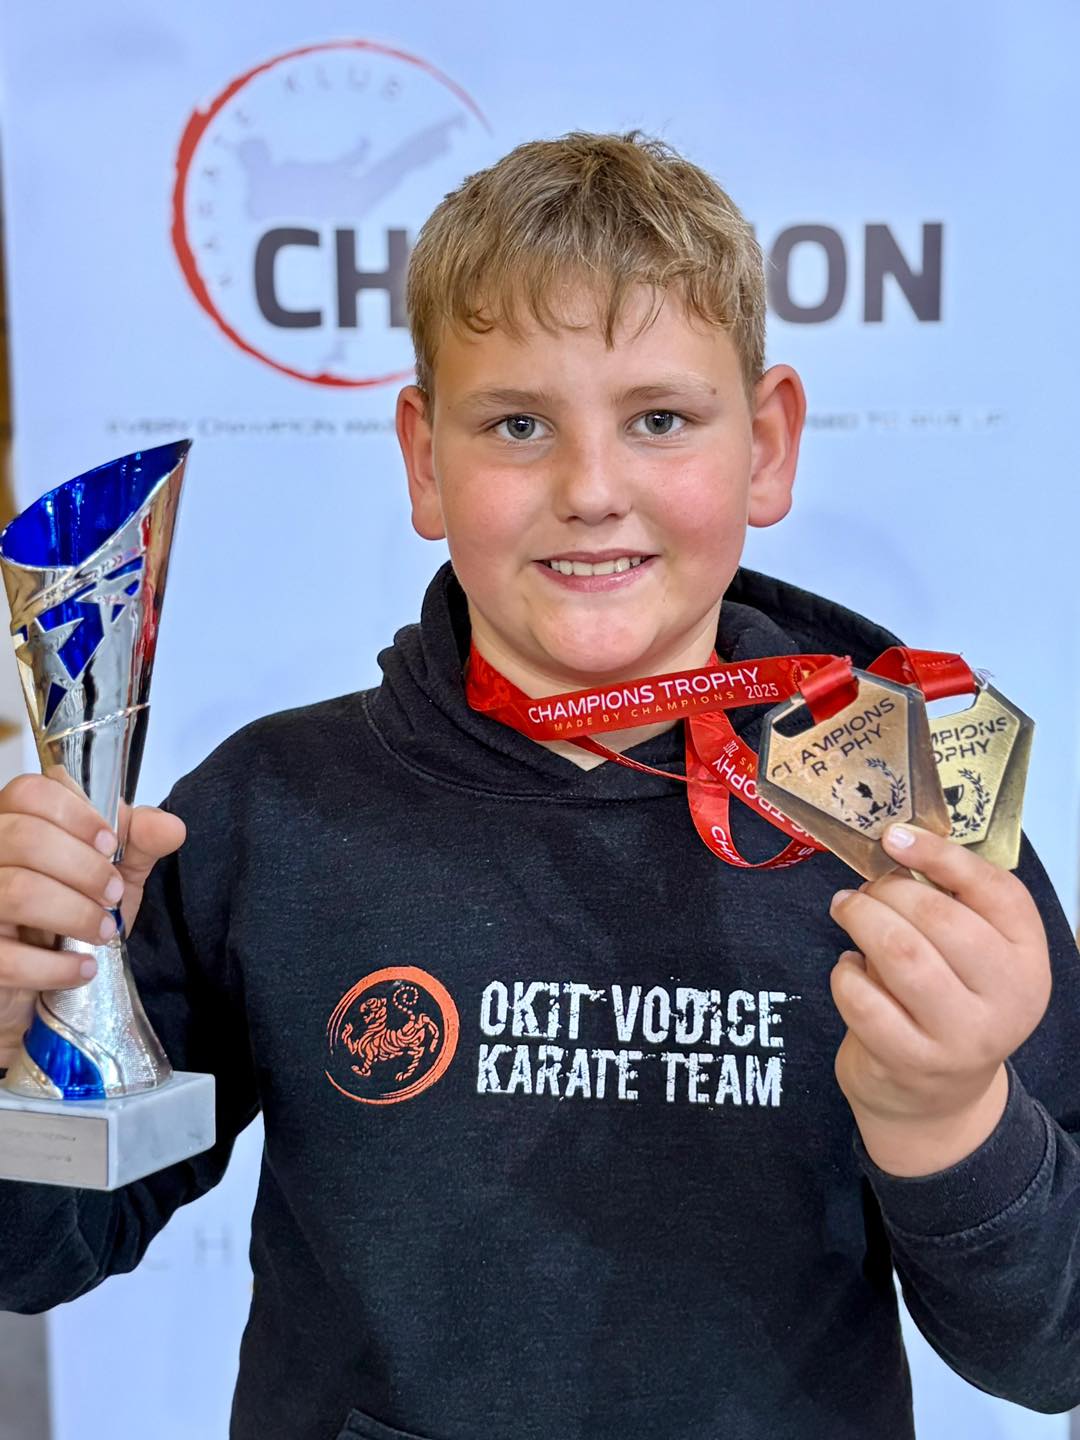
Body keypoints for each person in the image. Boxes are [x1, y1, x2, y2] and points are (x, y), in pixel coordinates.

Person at [0, 130, 1077, 1440]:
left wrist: (951, 1116)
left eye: (660, 420)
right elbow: (42, 1249)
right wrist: (13, 1045)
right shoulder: (266, 812)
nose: (591, 490)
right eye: (518, 424)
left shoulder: (903, 825)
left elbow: (1054, 1349)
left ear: (767, 444)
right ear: (424, 457)